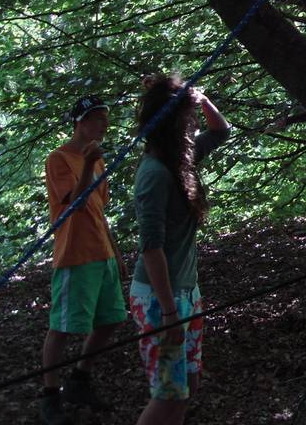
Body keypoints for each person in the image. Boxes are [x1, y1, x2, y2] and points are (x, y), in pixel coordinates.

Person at [130, 75, 230, 425]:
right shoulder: (155, 173)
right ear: (170, 125)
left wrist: (200, 100)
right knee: (169, 395)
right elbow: (151, 248)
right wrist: (170, 313)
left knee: (188, 382)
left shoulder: (181, 159)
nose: (192, 127)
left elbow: (221, 131)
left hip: (185, 292)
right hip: (160, 300)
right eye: (186, 120)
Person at [40, 95, 128, 425]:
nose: (105, 124)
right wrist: (89, 164)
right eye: (98, 119)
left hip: (101, 251)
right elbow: (73, 202)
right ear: (81, 122)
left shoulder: (98, 159)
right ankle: (49, 396)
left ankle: (80, 379)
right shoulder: (59, 159)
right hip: (74, 254)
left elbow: (98, 210)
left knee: (112, 319)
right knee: (63, 327)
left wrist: (116, 253)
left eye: (106, 118)